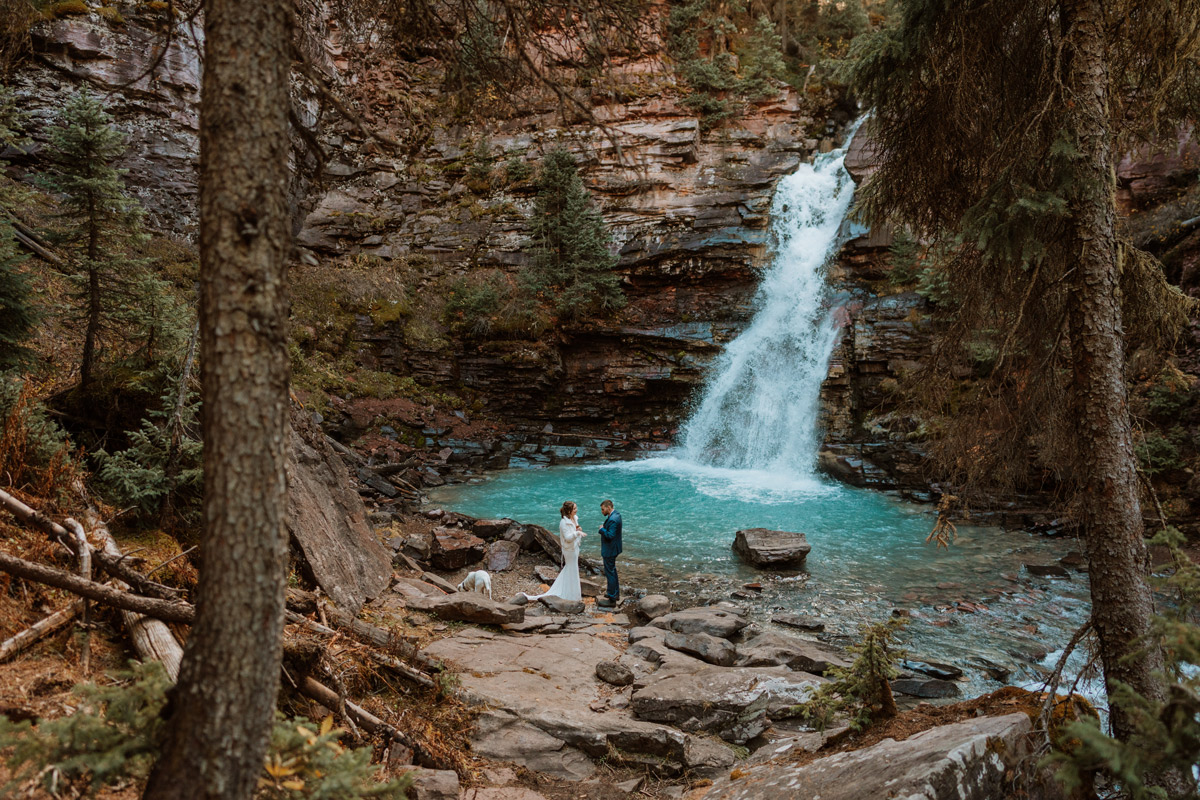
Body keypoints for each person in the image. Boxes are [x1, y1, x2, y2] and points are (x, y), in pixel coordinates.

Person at [532, 501, 584, 602]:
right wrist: (577, 533)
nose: (576, 510)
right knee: (571, 568)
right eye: (574, 509)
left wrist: (578, 529)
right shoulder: (563, 523)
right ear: (569, 511)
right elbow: (568, 538)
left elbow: (575, 528)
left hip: (575, 547)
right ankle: (571, 595)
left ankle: (572, 593)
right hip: (569, 550)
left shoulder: (575, 518)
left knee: (572, 569)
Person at [596, 499, 622, 607]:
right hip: (614, 548)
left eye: (603, 509)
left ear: (608, 507)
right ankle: (615, 593)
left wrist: (602, 529)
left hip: (610, 550)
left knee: (610, 573)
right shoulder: (617, 515)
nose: (602, 511)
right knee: (613, 571)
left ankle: (612, 599)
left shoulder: (613, 519)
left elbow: (610, 535)